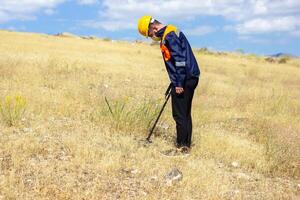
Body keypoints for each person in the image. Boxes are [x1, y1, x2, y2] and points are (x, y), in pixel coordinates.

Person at [137, 16, 200, 153]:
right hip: (189, 77)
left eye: (149, 34)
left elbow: (180, 61)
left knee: (179, 115)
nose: (152, 36)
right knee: (185, 113)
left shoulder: (169, 36)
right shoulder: (170, 31)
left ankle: (182, 147)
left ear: (153, 28)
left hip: (184, 78)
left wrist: (178, 83)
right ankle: (186, 146)